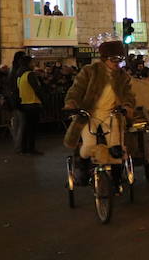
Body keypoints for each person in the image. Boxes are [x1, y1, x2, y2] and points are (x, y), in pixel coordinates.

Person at [63, 40, 136, 178]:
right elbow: (76, 90)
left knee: (116, 147)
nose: (117, 62)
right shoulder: (90, 71)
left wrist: (127, 106)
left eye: (120, 59)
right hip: (88, 114)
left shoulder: (122, 77)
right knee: (88, 146)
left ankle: (116, 179)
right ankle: (83, 171)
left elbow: (128, 95)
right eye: (114, 59)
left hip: (112, 114)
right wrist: (71, 103)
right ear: (105, 58)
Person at [16, 56, 45, 155]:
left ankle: (24, 148)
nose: (34, 64)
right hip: (33, 103)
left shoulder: (20, 75)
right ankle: (31, 149)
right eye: (32, 62)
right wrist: (44, 100)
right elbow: (37, 89)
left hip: (24, 103)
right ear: (28, 63)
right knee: (32, 129)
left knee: (26, 128)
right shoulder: (30, 74)